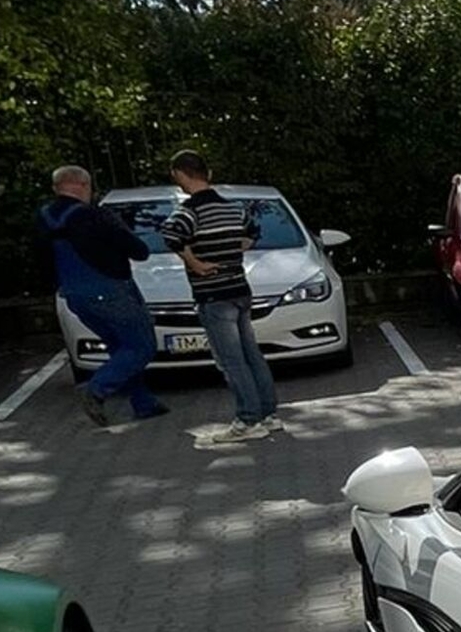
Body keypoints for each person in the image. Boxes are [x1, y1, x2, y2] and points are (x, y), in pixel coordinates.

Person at [34, 167, 168, 428]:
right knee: (141, 346)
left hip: (74, 294)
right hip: (110, 290)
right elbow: (138, 251)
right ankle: (96, 389)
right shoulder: (94, 216)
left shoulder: (44, 217)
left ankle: (144, 403)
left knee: (121, 348)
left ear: (56, 188)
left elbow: (41, 260)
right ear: (85, 185)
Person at [162, 149, 278, 446]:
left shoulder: (188, 212)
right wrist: (232, 250)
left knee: (231, 360)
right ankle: (268, 414)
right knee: (252, 354)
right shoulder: (234, 209)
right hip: (239, 289)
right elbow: (253, 234)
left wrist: (196, 263)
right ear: (208, 173)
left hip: (213, 295)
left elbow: (171, 236)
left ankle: (248, 418)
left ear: (180, 175)